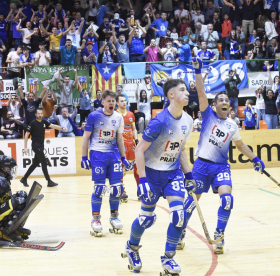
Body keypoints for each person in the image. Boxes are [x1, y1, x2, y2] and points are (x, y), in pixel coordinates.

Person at [177, 57, 265, 256]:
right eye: (221, 100)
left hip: (220, 167)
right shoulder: (208, 115)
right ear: (214, 105)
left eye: (227, 100)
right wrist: (197, 71)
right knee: (191, 203)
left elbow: (241, 145)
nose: (225, 102)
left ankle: (219, 235)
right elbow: (200, 91)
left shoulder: (232, 125)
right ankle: (181, 231)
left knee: (227, 200)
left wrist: (255, 159)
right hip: (201, 166)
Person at [122, 78, 194, 274]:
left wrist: (189, 175)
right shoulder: (159, 121)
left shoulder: (188, 121)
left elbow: (181, 150)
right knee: (146, 219)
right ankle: (132, 247)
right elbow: (139, 150)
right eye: (182, 90)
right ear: (171, 95)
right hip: (152, 174)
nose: (187, 93)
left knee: (179, 215)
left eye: (186, 89)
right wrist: (142, 180)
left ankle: (168, 258)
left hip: (173, 174)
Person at [80, 90, 133, 237]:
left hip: (114, 154)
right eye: (108, 101)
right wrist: (84, 157)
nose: (111, 103)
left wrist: (123, 158)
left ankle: (114, 218)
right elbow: (85, 138)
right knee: (99, 189)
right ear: (102, 101)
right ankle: (96, 220)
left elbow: (120, 139)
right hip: (98, 154)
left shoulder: (118, 117)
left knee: (117, 189)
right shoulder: (94, 116)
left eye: (113, 101)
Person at [21, 109, 64, 187]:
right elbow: (27, 135)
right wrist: (25, 147)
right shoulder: (32, 123)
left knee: (35, 164)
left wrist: (62, 128)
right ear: (36, 114)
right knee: (44, 162)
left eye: (41, 113)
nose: (40, 115)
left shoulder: (44, 122)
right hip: (35, 145)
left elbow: (53, 126)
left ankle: (24, 178)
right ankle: (49, 181)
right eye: (38, 114)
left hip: (41, 145)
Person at [116, 94, 140, 200]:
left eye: (125, 101)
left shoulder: (131, 114)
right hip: (121, 144)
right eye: (121, 101)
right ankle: (121, 190)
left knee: (137, 167)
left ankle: (140, 190)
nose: (124, 103)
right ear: (117, 103)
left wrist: (136, 140)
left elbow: (133, 128)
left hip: (131, 143)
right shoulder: (115, 114)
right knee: (121, 168)